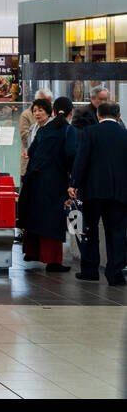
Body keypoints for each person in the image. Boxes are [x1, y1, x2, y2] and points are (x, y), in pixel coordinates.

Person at [17, 97, 77, 272]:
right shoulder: (69, 130)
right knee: (52, 219)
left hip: (35, 178)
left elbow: (31, 151)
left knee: (36, 216)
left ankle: (32, 253)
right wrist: (74, 179)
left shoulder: (43, 130)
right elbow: (71, 155)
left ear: (52, 112)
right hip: (55, 180)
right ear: (70, 113)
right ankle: (53, 261)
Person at [70, 101, 127, 285]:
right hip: (119, 192)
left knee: (90, 231)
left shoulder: (90, 132)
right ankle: (115, 273)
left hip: (93, 191)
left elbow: (81, 160)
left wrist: (74, 184)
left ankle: (90, 270)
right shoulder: (124, 134)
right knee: (117, 232)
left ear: (98, 116)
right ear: (118, 115)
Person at [19, 88, 54, 176]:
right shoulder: (26, 116)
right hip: (29, 163)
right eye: (35, 111)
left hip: (47, 166)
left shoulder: (53, 119)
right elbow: (25, 137)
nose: (37, 113)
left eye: (49, 103)